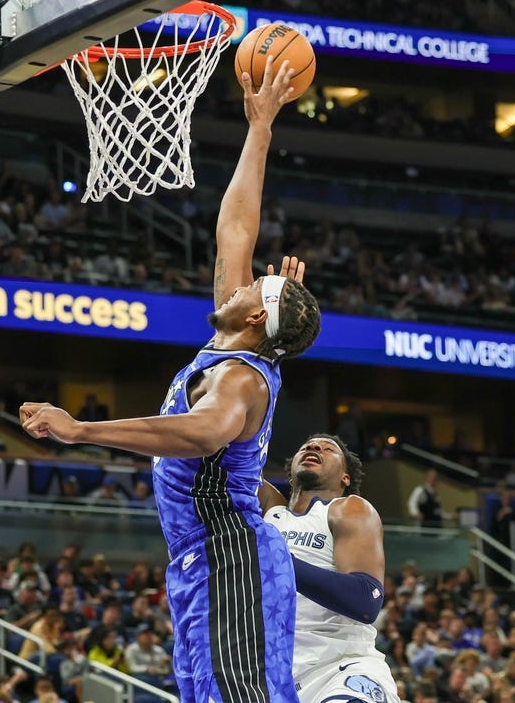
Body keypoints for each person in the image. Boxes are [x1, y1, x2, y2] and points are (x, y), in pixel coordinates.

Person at [19, 57, 320, 703]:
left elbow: (204, 432)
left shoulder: (239, 376)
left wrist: (83, 429)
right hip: (201, 557)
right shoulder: (229, 342)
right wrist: (260, 127)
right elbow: (234, 229)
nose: (238, 283)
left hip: (228, 554)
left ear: (256, 316)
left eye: (252, 287)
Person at [260, 434, 400, 703]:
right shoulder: (270, 510)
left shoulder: (348, 509)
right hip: (275, 676)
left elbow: (365, 600)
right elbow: (228, 461)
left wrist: (277, 561)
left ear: (345, 477)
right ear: (290, 473)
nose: (314, 447)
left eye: (328, 449)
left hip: (340, 668)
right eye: (307, 446)